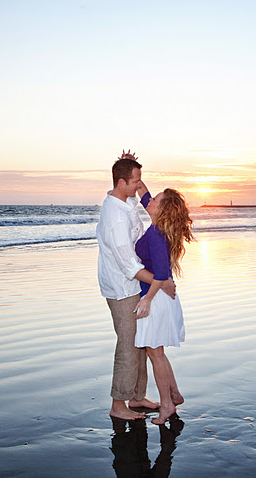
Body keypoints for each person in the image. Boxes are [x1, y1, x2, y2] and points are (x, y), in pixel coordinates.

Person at [97, 153, 175, 420]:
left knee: (140, 343)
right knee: (129, 346)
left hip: (135, 286)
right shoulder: (116, 218)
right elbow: (129, 266)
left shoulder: (125, 201)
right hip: (123, 288)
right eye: (135, 181)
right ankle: (119, 404)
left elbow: (144, 195)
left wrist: (129, 163)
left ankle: (137, 396)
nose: (139, 186)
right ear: (121, 183)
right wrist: (161, 281)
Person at [133, 188, 194, 424]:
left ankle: (167, 405)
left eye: (155, 199)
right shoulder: (159, 225)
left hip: (156, 297)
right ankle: (175, 394)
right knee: (156, 351)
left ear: (162, 209)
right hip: (161, 295)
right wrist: (134, 174)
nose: (149, 201)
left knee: (155, 352)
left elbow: (159, 273)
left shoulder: (158, 233)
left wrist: (146, 300)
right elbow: (144, 195)